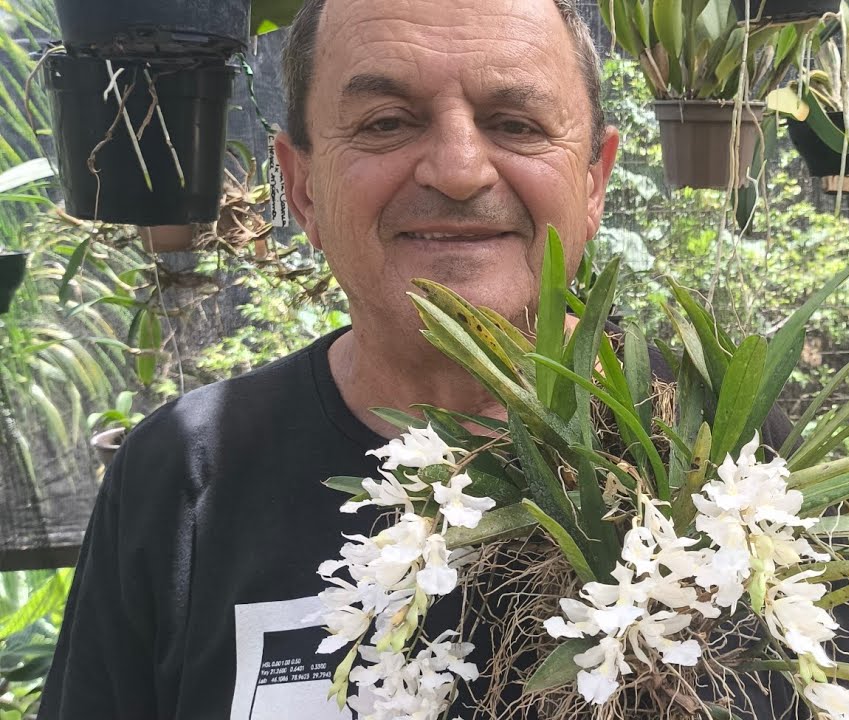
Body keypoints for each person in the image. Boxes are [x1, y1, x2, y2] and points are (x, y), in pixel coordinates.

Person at [38, 1, 621, 718]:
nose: (460, 170)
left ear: (594, 181)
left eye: (516, 124)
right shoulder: (187, 478)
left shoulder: (729, 461)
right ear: (303, 186)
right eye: (386, 123)